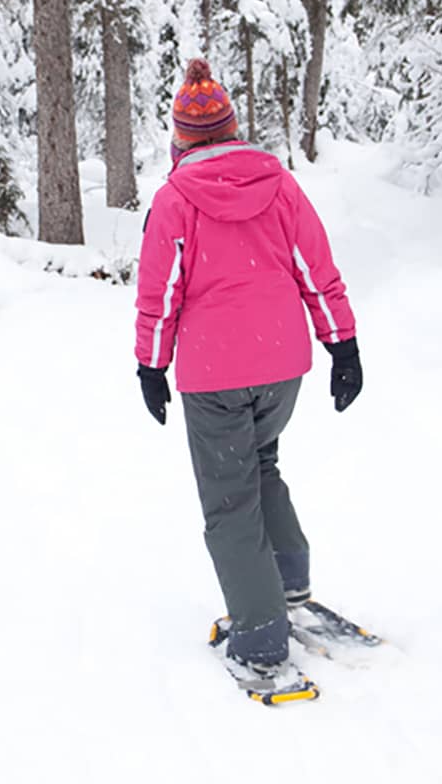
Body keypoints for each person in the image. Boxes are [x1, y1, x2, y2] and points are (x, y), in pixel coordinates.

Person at [133, 58, 364, 678]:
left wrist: (150, 368)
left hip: (214, 374)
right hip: (283, 364)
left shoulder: (175, 200)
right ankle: (287, 582)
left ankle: (261, 636)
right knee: (260, 463)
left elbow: (161, 295)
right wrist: (343, 345)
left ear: (180, 138)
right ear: (232, 129)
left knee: (229, 497)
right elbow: (316, 269)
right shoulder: (280, 185)